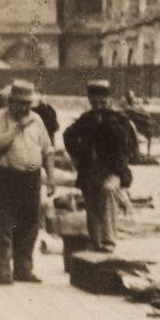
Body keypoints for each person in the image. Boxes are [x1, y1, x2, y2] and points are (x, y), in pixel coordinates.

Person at [0, 80, 55, 284]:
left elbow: (47, 149)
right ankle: (1, 270)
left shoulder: (37, 120)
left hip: (31, 178)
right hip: (5, 176)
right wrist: (16, 128)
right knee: (2, 224)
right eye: (20, 103)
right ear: (11, 102)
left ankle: (23, 269)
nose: (25, 108)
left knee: (29, 224)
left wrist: (50, 177)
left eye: (28, 104)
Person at [63, 80, 134, 254]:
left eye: (103, 102)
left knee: (108, 190)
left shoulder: (120, 120)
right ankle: (96, 243)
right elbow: (68, 135)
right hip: (89, 170)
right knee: (92, 205)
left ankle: (109, 241)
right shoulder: (86, 119)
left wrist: (108, 120)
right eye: (95, 103)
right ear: (89, 101)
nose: (99, 106)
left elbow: (129, 144)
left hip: (112, 171)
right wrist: (77, 153)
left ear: (110, 100)